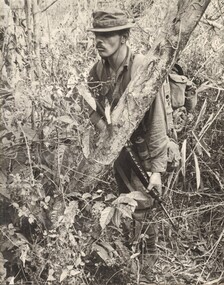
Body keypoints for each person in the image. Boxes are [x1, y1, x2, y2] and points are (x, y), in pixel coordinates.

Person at [87, 7, 168, 280]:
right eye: (97, 34)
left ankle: (146, 270)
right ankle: (129, 259)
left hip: (145, 149)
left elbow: (158, 121)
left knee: (145, 208)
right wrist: (105, 130)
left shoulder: (142, 67)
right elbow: (93, 110)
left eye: (107, 35)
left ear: (123, 37)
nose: (100, 41)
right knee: (125, 204)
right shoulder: (96, 72)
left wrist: (157, 170)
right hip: (119, 152)